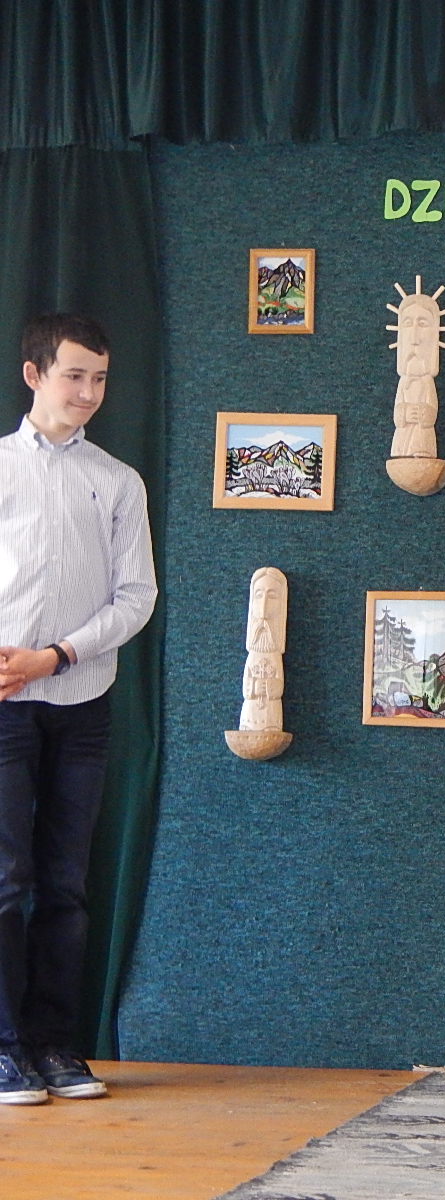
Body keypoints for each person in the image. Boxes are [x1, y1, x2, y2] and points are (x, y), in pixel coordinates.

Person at [0, 313, 157, 1104]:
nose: (89, 392)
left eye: (99, 378)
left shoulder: (118, 480)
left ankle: (56, 1046)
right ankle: (4, 1051)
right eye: (74, 376)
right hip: (4, 704)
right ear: (34, 375)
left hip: (82, 702)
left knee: (65, 882)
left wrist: (55, 656)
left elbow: (136, 597)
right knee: (5, 878)